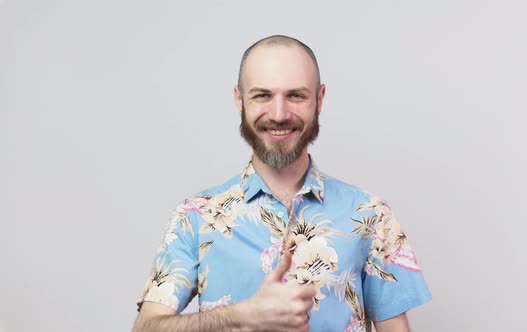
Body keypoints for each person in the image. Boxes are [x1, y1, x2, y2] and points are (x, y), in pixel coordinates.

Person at [133, 35, 431, 332]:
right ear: (239, 100)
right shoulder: (195, 217)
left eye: (296, 95)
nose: (279, 114)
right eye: (262, 95)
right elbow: (146, 329)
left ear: (319, 99)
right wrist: (242, 315)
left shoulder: (371, 214)